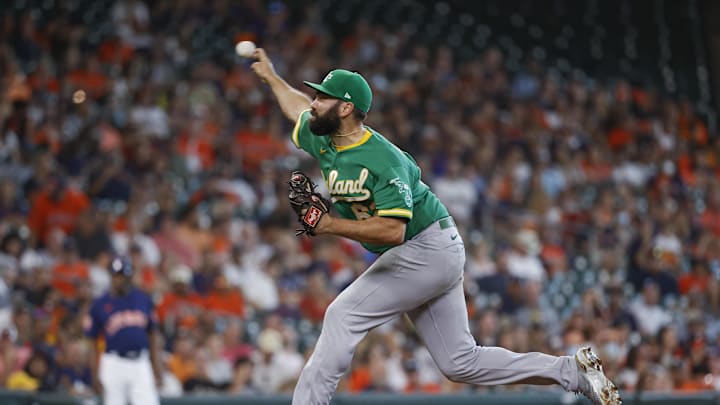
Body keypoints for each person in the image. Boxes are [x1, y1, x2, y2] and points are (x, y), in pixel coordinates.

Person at [250, 48, 622, 405]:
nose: (314, 102)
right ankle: (573, 373)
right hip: (429, 250)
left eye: (323, 97)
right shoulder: (324, 138)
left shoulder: (384, 158)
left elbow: (394, 231)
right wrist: (271, 78)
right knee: (459, 361)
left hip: (425, 247)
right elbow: (298, 109)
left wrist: (329, 225)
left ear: (346, 108)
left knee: (342, 315)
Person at [84, 256, 161, 405]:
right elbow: (91, 341)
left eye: (125, 275)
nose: (121, 279)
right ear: (111, 276)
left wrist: (156, 366)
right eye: (118, 275)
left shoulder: (143, 299)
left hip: (140, 362)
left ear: (131, 276)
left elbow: (152, 334)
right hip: (114, 363)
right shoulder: (100, 304)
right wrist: (94, 373)